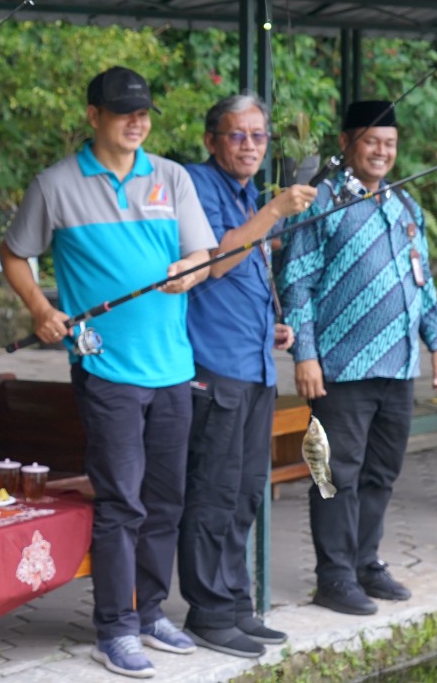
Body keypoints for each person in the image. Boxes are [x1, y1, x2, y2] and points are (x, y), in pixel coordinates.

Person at [0, 66, 217, 678]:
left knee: (166, 498)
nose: (136, 122)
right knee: (122, 502)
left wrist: (190, 270)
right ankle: (113, 629)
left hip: (173, 368)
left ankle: (149, 613)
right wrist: (42, 309)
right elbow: (15, 254)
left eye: (143, 112)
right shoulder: (56, 184)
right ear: (93, 115)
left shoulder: (171, 176)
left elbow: (203, 253)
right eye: (123, 112)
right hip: (106, 369)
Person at [280, 100, 437, 616]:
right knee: (334, 474)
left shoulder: (404, 207)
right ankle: (332, 576)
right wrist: (305, 356)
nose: (382, 151)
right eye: (372, 141)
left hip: (398, 367)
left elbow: (422, 282)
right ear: (346, 143)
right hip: (340, 368)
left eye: (390, 143)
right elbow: (297, 282)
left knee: (381, 472)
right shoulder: (322, 202)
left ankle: (364, 561)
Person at [177, 94, 316, 658]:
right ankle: (207, 613)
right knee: (211, 494)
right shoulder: (196, 185)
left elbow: (245, 277)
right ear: (212, 140)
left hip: (254, 364)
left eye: (259, 137)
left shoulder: (249, 196)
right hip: (215, 367)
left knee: (243, 495)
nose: (250, 146)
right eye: (237, 136)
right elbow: (212, 262)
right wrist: (275, 211)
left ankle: (234, 603)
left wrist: (274, 330)